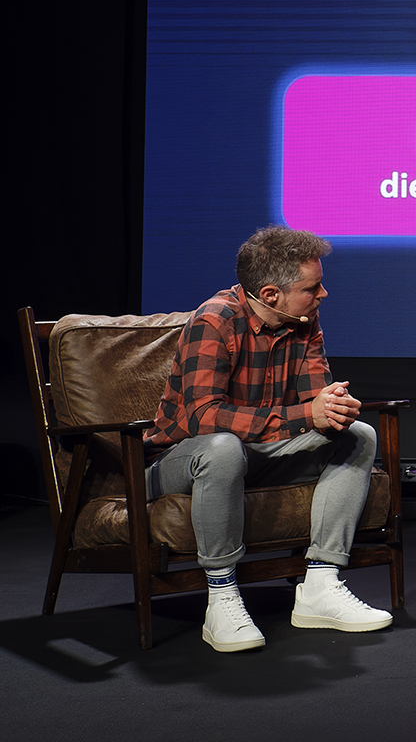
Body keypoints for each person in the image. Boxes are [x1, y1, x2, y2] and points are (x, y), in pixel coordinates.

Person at [147, 226, 392, 652]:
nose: (323, 294)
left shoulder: (303, 321)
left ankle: (320, 584)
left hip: (257, 453)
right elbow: (204, 418)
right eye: (311, 288)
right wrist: (306, 415)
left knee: (357, 435)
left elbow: (315, 398)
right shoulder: (214, 321)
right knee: (223, 448)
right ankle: (222, 598)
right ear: (270, 294)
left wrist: (333, 407)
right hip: (181, 462)